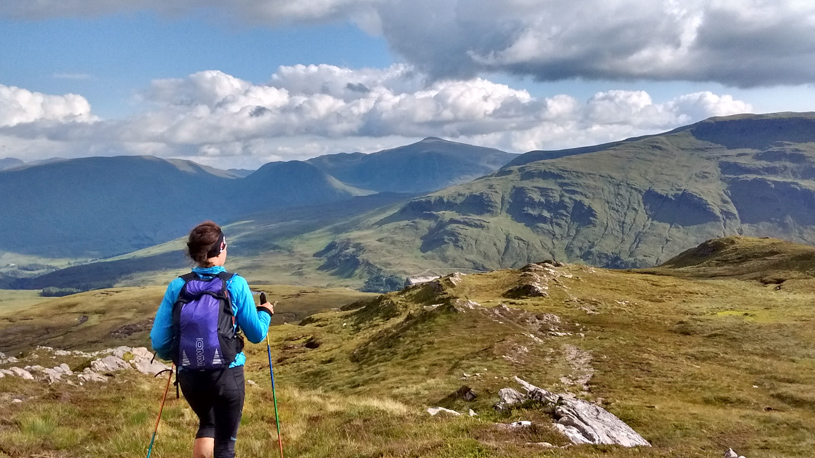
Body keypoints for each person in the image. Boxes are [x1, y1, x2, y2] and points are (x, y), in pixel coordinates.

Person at [150, 221, 274, 458]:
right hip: (227, 374)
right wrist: (265, 313)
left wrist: (176, 355)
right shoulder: (235, 284)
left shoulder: (178, 286)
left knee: (207, 425)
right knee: (225, 444)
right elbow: (257, 334)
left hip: (190, 376)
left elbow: (159, 341)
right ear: (220, 248)